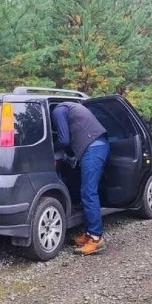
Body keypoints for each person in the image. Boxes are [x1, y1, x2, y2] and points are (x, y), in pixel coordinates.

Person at [51, 102, 110, 255]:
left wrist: (50, 144)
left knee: (89, 192)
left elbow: (64, 140)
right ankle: (89, 234)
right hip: (96, 145)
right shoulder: (69, 108)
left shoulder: (58, 111)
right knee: (85, 190)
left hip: (93, 148)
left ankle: (96, 239)